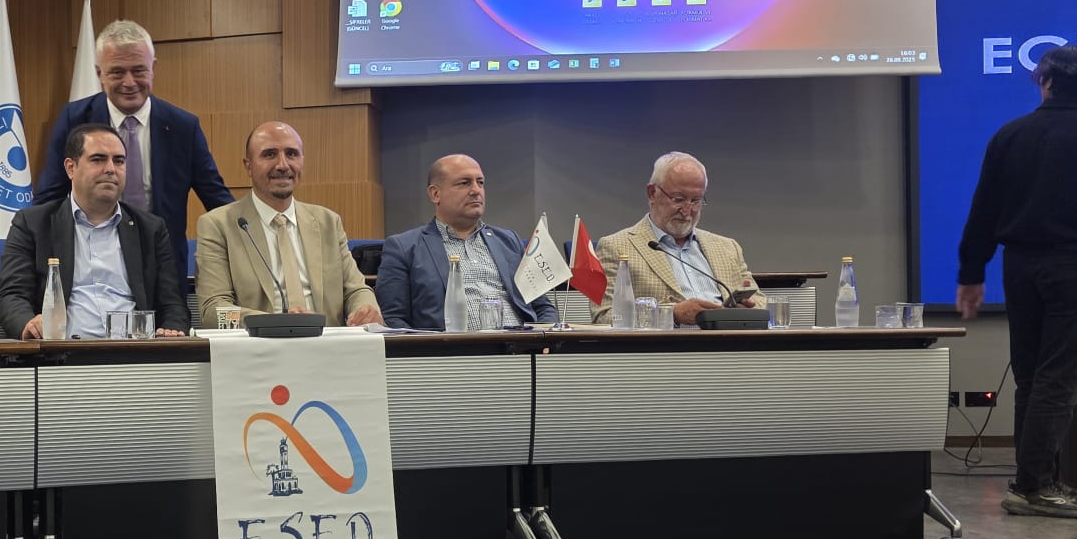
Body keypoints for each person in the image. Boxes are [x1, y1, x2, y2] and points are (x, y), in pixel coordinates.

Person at [957, 43, 1077, 520]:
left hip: (1019, 267)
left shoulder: (1010, 134)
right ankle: (1034, 486)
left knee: (1031, 378)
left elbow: (984, 210)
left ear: (1045, 80)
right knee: (1058, 380)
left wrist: (971, 272)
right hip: (1073, 268)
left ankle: (1034, 478)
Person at [34, 20, 232, 284]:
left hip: (162, 271)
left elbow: (217, 199)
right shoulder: (75, 119)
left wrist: (252, 239)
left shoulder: (183, 127)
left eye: (139, 70)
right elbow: (49, 197)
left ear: (153, 68)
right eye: (117, 72)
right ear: (99, 73)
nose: (129, 82)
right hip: (89, 266)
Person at [0, 124, 190, 339]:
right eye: (98, 159)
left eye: (119, 161)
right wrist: (28, 324)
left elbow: (172, 302)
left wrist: (171, 329)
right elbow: (12, 295)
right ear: (71, 168)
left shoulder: (151, 228)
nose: (111, 169)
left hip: (134, 350)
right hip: (62, 351)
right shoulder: (33, 223)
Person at [194, 121, 382, 327]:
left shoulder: (328, 222)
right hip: (258, 344)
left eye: (292, 154)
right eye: (269, 154)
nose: (283, 165)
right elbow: (214, 312)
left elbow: (356, 290)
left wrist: (365, 309)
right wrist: (273, 324)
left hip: (326, 342)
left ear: (302, 161)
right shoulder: (218, 225)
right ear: (248, 166)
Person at [375, 154, 558, 330]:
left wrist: (545, 340)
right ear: (435, 194)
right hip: (451, 349)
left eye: (480, 182)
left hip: (519, 346)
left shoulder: (509, 241)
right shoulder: (403, 248)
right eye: (464, 183)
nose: (476, 190)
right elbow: (393, 319)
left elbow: (543, 307)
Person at [593, 152, 763, 326]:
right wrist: (672, 314)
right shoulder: (615, 247)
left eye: (695, 201)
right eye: (678, 199)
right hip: (670, 341)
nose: (687, 210)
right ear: (652, 193)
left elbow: (760, 303)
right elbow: (604, 317)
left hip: (730, 339)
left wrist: (745, 310)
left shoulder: (727, 248)